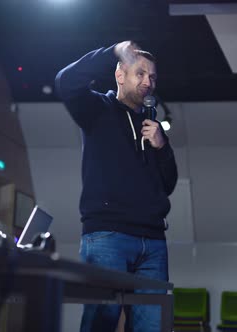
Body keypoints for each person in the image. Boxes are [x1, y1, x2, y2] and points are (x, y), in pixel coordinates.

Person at [55, 41, 178, 332]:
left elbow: (168, 184)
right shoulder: (97, 109)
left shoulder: (153, 126)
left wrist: (162, 147)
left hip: (153, 241)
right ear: (120, 75)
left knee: (151, 326)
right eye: (140, 73)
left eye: (153, 77)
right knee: (100, 323)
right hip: (108, 236)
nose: (148, 82)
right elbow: (66, 81)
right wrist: (113, 51)